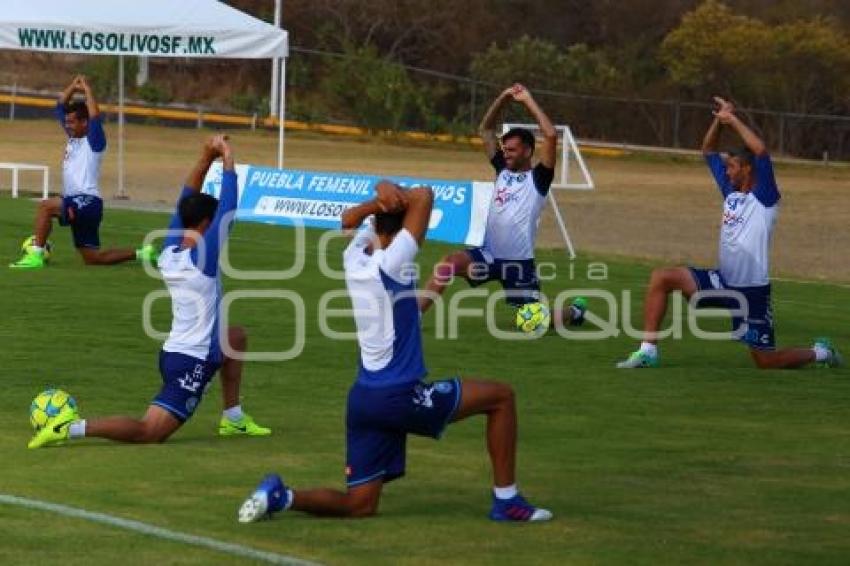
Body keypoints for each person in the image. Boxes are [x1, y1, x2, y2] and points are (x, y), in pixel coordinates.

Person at [237, 181, 551, 522]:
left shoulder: (354, 257)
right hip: (398, 396)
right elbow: (425, 195)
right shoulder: (392, 262)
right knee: (501, 398)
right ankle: (507, 500)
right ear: (402, 230)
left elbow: (352, 225)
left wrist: (435, 278)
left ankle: (282, 497)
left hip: (363, 400)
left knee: (359, 504)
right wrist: (386, 190)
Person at [28, 135, 271, 449]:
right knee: (149, 432)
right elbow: (229, 207)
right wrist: (227, 157)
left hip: (175, 352)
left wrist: (205, 157)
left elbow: (187, 196)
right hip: (191, 362)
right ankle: (69, 429)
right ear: (207, 223)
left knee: (235, 337)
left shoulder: (172, 248)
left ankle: (233, 418)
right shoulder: (202, 258)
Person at [617, 97, 842, 370]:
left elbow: (761, 151)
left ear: (747, 169)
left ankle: (821, 353)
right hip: (722, 280)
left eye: (732, 167)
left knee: (766, 361)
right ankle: (647, 351)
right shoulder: (730, 193)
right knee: (662, 278)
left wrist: (734, 120)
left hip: (751, 293)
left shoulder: (765, 196)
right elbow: (708, 150)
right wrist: (719, 119)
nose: (727, 171)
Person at [418, 83, 585, 328]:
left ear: (528, 152)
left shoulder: (539, 178)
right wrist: (504, 98)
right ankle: (414, 316)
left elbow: (550, 135)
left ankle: (574, 312)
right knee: (448, 263)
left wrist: (527, 100)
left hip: (518, 264)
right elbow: (485, 129)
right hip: (488, 255)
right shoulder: (502, 169)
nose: (505, 154)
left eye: (512, 150)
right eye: (504, 149)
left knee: (532, 322)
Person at [10, 75, 156, 270]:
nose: (67, 125)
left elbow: (95, 116)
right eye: (67, 122)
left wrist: (87, 90)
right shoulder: (73, 138)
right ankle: (143, 253)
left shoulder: (94, 141)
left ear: (85, 123)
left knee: (46, 207)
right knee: (93, 258)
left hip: (85, 200)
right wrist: (73, 86)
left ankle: (36, 254)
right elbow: (59, 106)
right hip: (85, 204)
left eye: (72, 122)